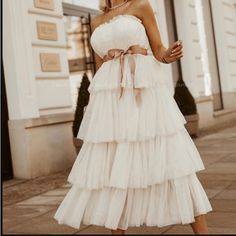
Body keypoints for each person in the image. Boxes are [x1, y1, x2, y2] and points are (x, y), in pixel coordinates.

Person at [54, 0, 212, 234]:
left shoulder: (140, 6)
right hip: (112, 103)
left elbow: (158, 50)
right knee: (114, 170)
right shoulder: (96, 20)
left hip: (144, 94)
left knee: (171, 163)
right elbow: (100, 67)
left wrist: (168, 55)